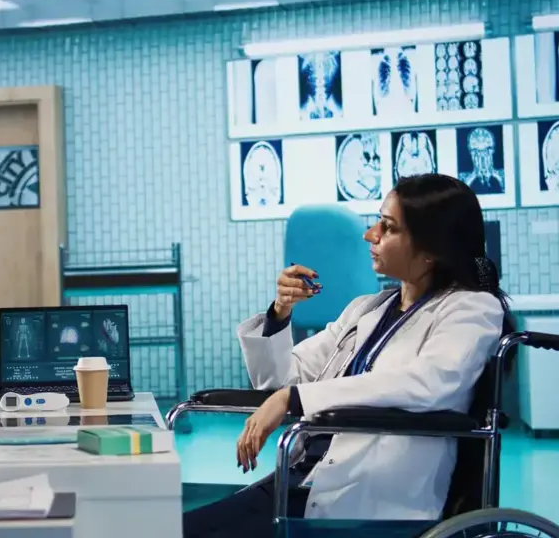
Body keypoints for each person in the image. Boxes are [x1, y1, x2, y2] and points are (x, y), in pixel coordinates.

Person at [183, 174, 511, 538]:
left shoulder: (471, 309)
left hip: (370, 500)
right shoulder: (367, 309)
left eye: (388, 227)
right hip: (302, 482)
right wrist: (279, 313)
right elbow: (283, 380)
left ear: (431, 247)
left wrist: (292, 399)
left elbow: (429, 383)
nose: (370, 235)